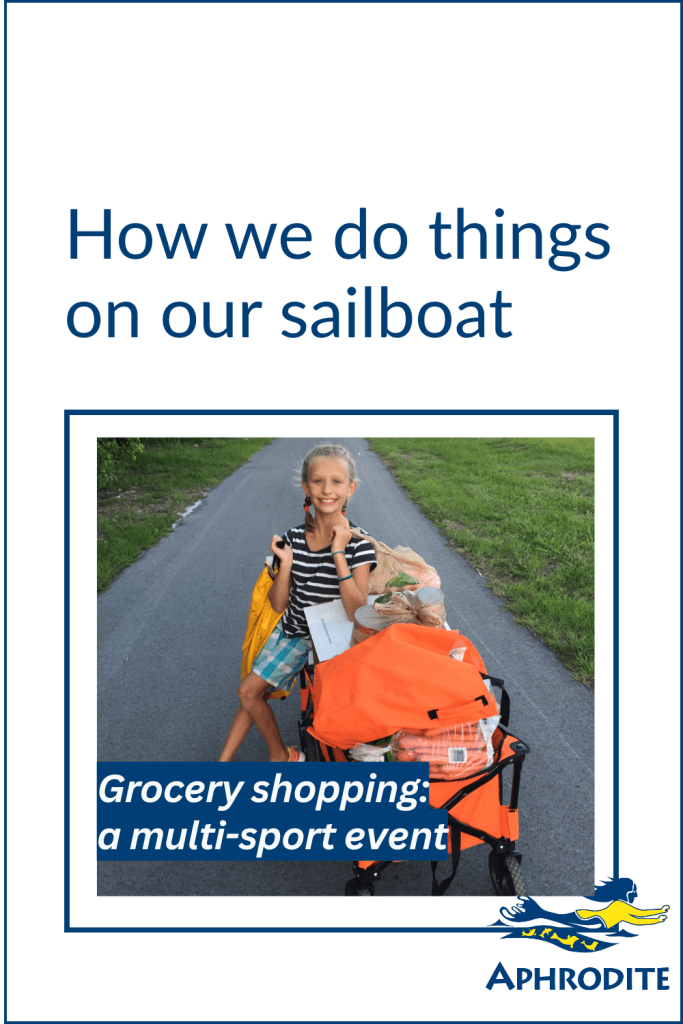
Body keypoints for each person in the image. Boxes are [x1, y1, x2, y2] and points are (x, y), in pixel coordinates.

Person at [218, 443, 377, 762]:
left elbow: (355, 610)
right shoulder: (292, 538)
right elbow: (278, 604)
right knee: (250, 693)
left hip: (333, 636)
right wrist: (286, 564)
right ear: (306, 486)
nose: (327, 489)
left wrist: (338, 553)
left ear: (351, 488)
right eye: (318, 481)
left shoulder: (360, 544)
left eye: (337, 481)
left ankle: (282, 755)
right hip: (293, 631)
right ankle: (229, 764)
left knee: (252, 693)